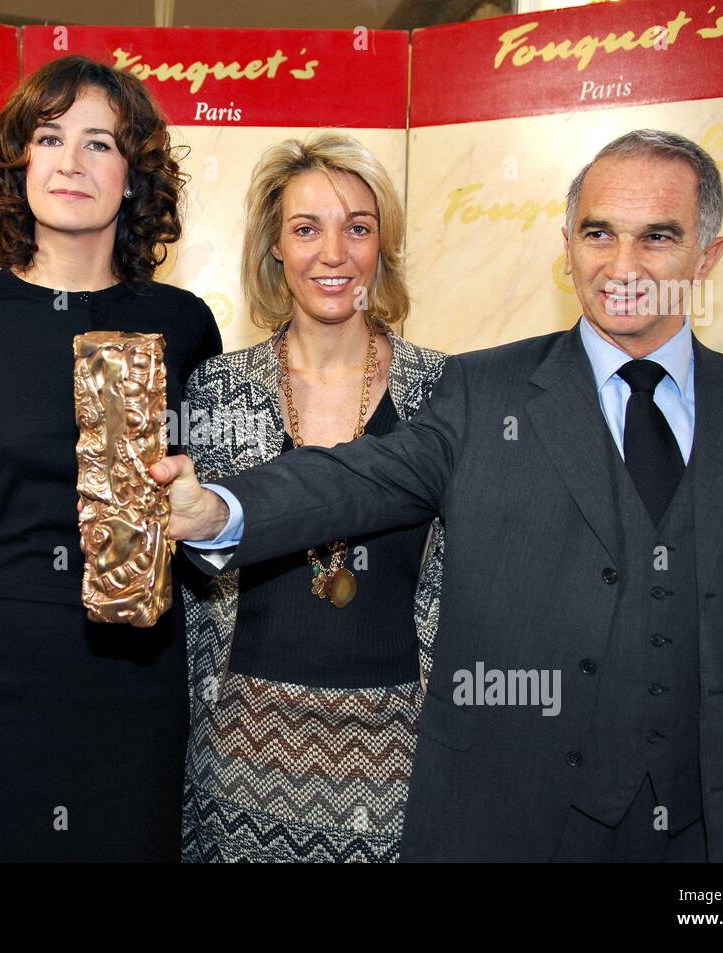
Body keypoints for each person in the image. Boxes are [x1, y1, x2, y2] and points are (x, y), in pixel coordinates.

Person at [157, 129, 723, 863]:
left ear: (707, 256)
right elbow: (360, 476)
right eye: (599, 232)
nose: (622, 265)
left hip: (718, 828)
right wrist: (221, 511)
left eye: (658, 238)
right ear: (568, 243)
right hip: (519, 813)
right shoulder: (485, 391)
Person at [0, 55, 221, 862]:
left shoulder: (183, 324)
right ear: (20, 162)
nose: (71, 162)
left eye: (100, 143)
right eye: (49, 138)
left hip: (138, 676)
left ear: (134, 176)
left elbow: (215, 517)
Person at [179, 134, 447, 862]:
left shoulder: (445, 392)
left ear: (382, 245)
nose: (334, 253)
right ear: (273, 246)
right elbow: (187, 579)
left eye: (358, 226)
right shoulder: (215, 389)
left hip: (400, 758)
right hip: (239, 755)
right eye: (306, 228)